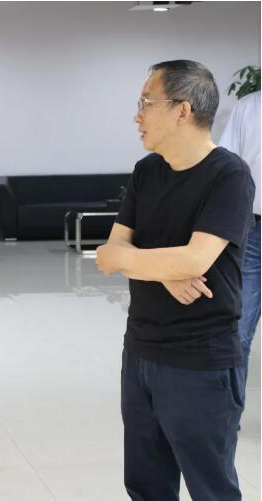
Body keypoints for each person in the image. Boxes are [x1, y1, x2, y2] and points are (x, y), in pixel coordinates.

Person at [95, 60, 254, 500]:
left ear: (182, 110)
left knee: (211, 488)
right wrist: (167, 271)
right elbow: (107, 256)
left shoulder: (229, 175)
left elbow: (196, 258)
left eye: (146, 103)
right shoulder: (147, 171)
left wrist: (140, 261)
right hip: (141, 351)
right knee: (146, 486)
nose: (137, 115)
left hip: (201, 359)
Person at [219, 90, 261, 404]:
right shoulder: (249, 107)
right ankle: (229, 414)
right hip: (252, 231)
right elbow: (226, 164)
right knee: (238, 331)